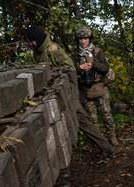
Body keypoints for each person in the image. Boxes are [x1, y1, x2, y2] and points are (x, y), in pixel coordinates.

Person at [24, 26, 114, 156]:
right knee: (79, 122)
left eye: (30, 41)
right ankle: (103, 147)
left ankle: (106, 147)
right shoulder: (37, 53)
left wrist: (55, 75)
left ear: (36, 39)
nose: (28, 44)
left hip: (68, 92)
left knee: (84, 121)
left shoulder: (53, 50)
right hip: (54, 93)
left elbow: (69, 69)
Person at [75, 26, 118, 146]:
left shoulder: (98, 51)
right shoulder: (75, 54)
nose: (83, 41)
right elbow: (70, 70)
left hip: (100, 87)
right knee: (92, 119)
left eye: (85, 38)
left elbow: (105, 68)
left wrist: (93, 63)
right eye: (80, 38)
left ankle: (112, 137)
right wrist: (79, 68)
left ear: (90, 39)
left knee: (106, 115)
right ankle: (100, 142)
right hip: (86, 90)